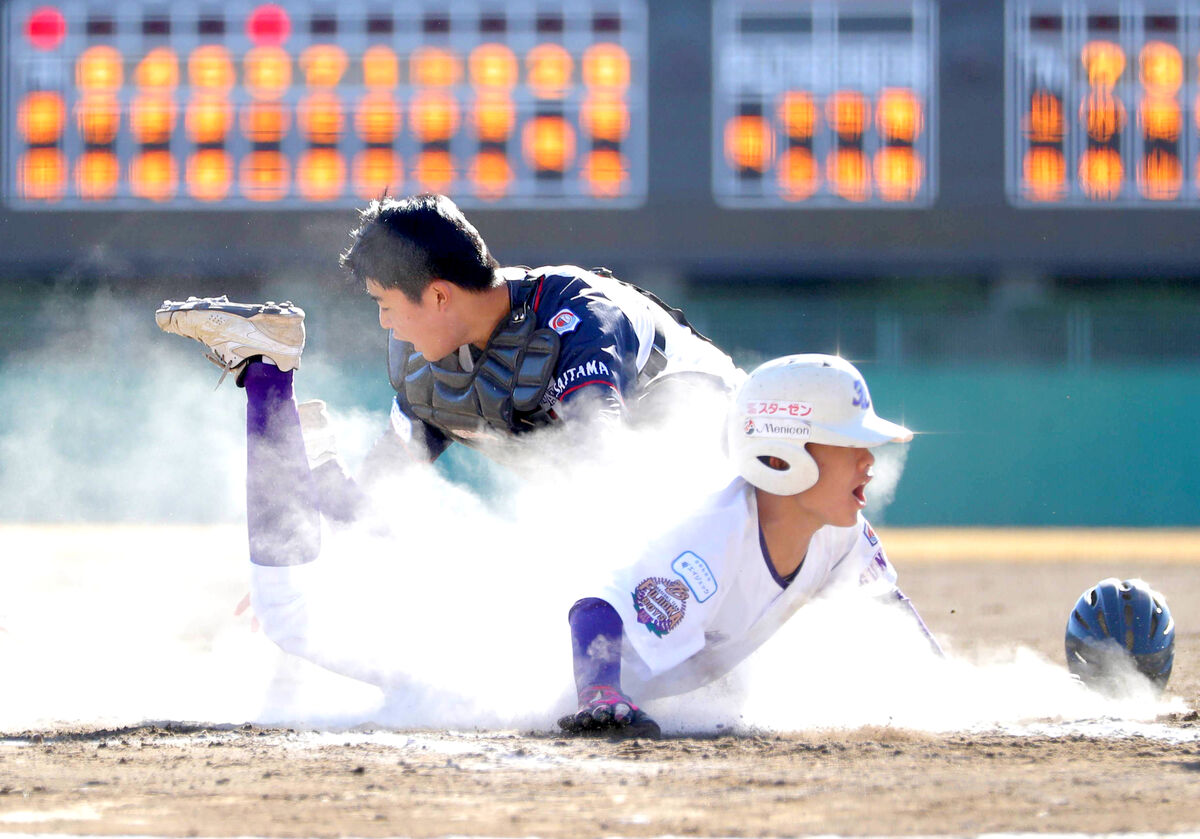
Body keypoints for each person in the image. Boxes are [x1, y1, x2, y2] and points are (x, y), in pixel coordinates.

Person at [159, 193, 740, 519]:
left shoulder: (580, 318)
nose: (384, 322)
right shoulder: (432, 365)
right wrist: (298, 567)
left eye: (386, 304)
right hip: (626, 510)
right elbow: (372, 500)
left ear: (438, 294)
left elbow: (605, 465)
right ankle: (269, 376)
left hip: (729, 465)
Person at [557, 354, 943, 738]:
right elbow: (596, 607)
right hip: (585, 677)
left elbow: (886, 605)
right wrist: (600, 694)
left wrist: (944, 683)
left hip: (685, 680)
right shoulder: (715, 537)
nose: (869, 460)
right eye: (849, 442)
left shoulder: (843, 534)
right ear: (780, 456)